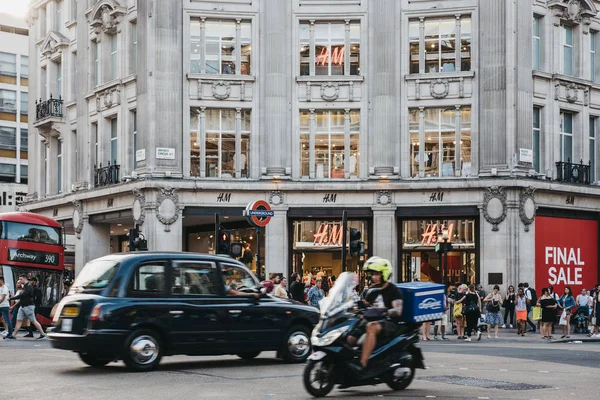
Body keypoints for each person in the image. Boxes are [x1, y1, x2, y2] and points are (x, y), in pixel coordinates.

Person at [347, 257, 403, 375]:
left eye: (377, 274)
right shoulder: (372, 289)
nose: (374, 277)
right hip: (369, 320)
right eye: (373, 274)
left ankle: (363, 364)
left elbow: (398, 310)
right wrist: (351, 307)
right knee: (349, 336)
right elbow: (364, 304)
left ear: (384, 274)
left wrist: (387, 312)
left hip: (388, 322)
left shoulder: (392, 290)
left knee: (371, 327)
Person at [8, 275, 46, 339]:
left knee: (33, 321)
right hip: (22, 306)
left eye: (21, 279)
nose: (19, 281)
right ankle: (13, 335)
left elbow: (22, 295)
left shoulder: (28, 286)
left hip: (28, 306)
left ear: (24, 279)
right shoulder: (25, 287)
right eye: (19, 279)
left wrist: (11, 298)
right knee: (19, 320)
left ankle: (42, 334)